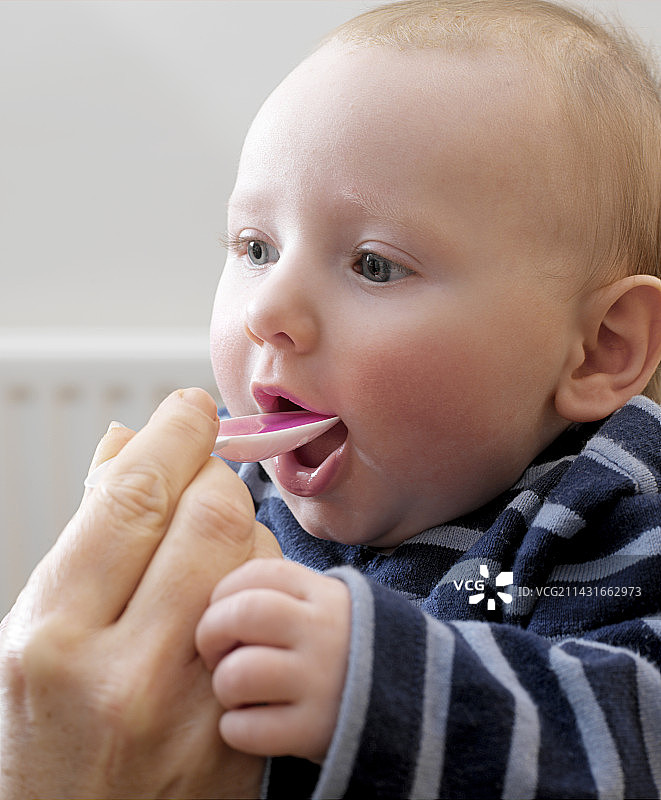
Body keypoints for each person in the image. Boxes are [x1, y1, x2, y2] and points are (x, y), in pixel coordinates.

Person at [2, 1, 661, 798]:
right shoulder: (227, 511)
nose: (266, 311)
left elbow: (640, 735)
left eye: (374, 265)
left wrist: (377, 680)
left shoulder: (608, 510)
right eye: (256, 248)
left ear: (599, 349)